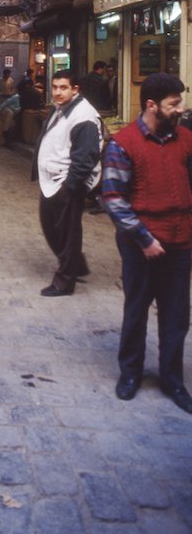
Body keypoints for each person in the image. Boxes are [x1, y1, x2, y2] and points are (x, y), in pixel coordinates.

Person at [101, 73, 192, 413]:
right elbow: (113, 198)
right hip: (141, 245)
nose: (180, 109)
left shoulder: (186, 139)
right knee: (136, 310)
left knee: (176, 316)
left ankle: (173, 379)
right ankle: (130, 374)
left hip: (181, 241)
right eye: (174, 104)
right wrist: (144, 238)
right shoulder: (123, 143)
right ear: (152, 105)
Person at [32, 68, 102, 296]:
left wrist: (70, 188)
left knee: (67, 233)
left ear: (75, 89)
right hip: (51, 180)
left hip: (66, 183)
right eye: (54, 87)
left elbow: (86, 157)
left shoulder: (84, 116)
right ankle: (76, 266)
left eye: (63, 88)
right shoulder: (61, 108)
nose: (57, 92)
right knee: (51, 226)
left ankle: (64, 281)